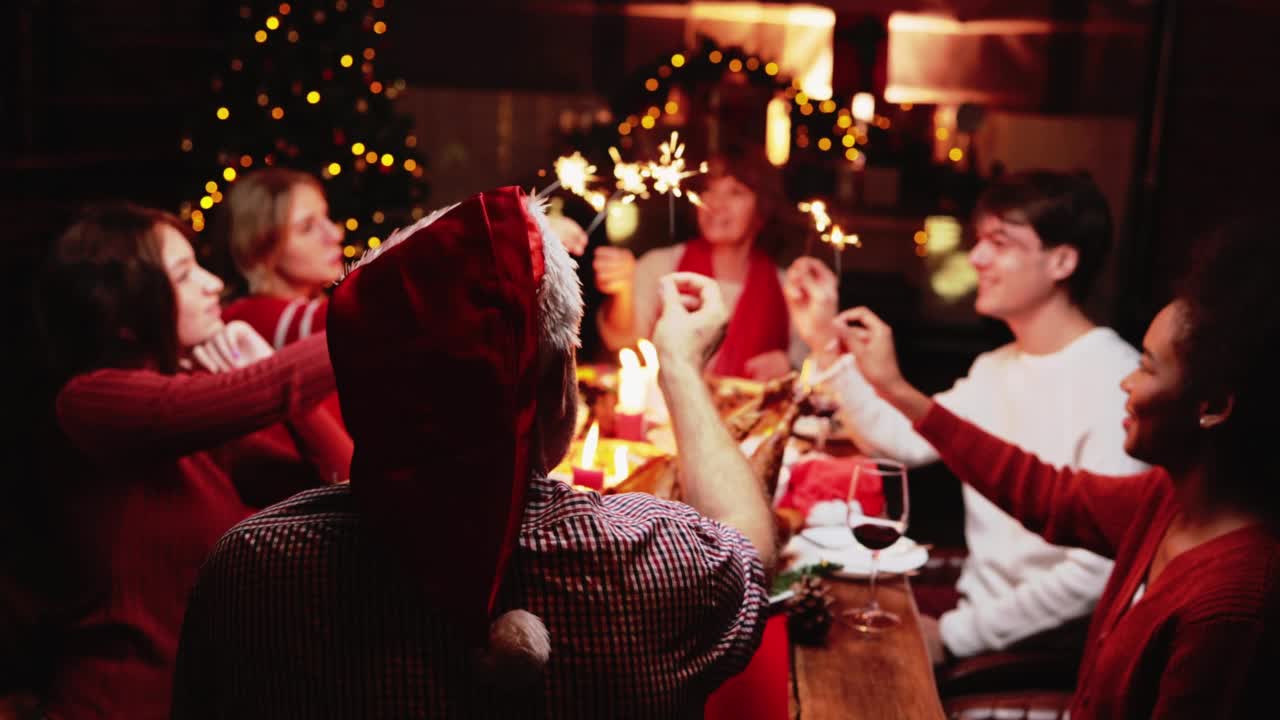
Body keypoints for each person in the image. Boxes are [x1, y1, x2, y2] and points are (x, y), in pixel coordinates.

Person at [170, 187, 775, 718]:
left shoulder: (251, 567)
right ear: (558, 385)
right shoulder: (649, 559)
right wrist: (680, 367)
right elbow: (752, 548)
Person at [830, 215, 1279, 718]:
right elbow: (1044, 492)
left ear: (1213, 407)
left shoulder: (1232, 604)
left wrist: (957, 636)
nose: (1126, 383)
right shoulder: (1166, 500)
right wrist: (896, 389)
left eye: (1148, 367)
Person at [784, 170, 1148, 662]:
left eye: (1000, 243)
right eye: (979, 241)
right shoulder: (996, 367)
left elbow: (1095, 575)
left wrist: (956, 635)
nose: (976, 258)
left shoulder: (1114, 382)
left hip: (1040, 650)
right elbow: (898, 442)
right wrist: (824, 339)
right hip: (978, 608)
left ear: (1062, 260)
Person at [32, 203, 350, 719]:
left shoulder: (188, 406)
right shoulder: (91, 402)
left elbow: (341, 482)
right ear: (125, 309)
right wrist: (374, 320)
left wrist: (272, 372)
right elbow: (269, 390)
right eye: (184, 274)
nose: (214, 284)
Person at [594, 146, 799, 379]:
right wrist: (622, 291)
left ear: (762, 208)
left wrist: (791, 365)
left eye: (735, 192)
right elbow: (620, 340)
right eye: (708, 190)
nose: (716, 203)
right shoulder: (660, 266)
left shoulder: (787, 289)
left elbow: (814, 366)